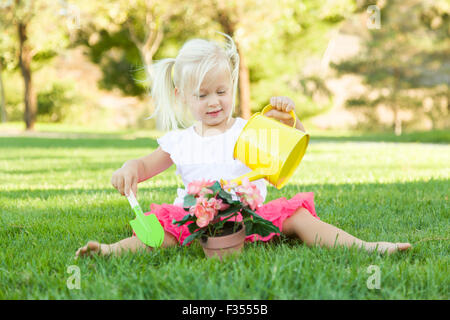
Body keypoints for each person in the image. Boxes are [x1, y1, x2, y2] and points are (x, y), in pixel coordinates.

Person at [75, 32, 411, 259]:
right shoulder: (179, 141)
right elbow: (144, 166)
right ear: (182, 97)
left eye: (221, 91)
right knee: (162, 232)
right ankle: (109, 250)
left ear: (231, 85)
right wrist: (128, 169)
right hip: (196, 218)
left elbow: (294, 143)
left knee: (297, 216)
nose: (213, 102)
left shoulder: (246, 129)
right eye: (202, 95)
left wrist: (288, 116)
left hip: (249, 215)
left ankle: (366, 247)